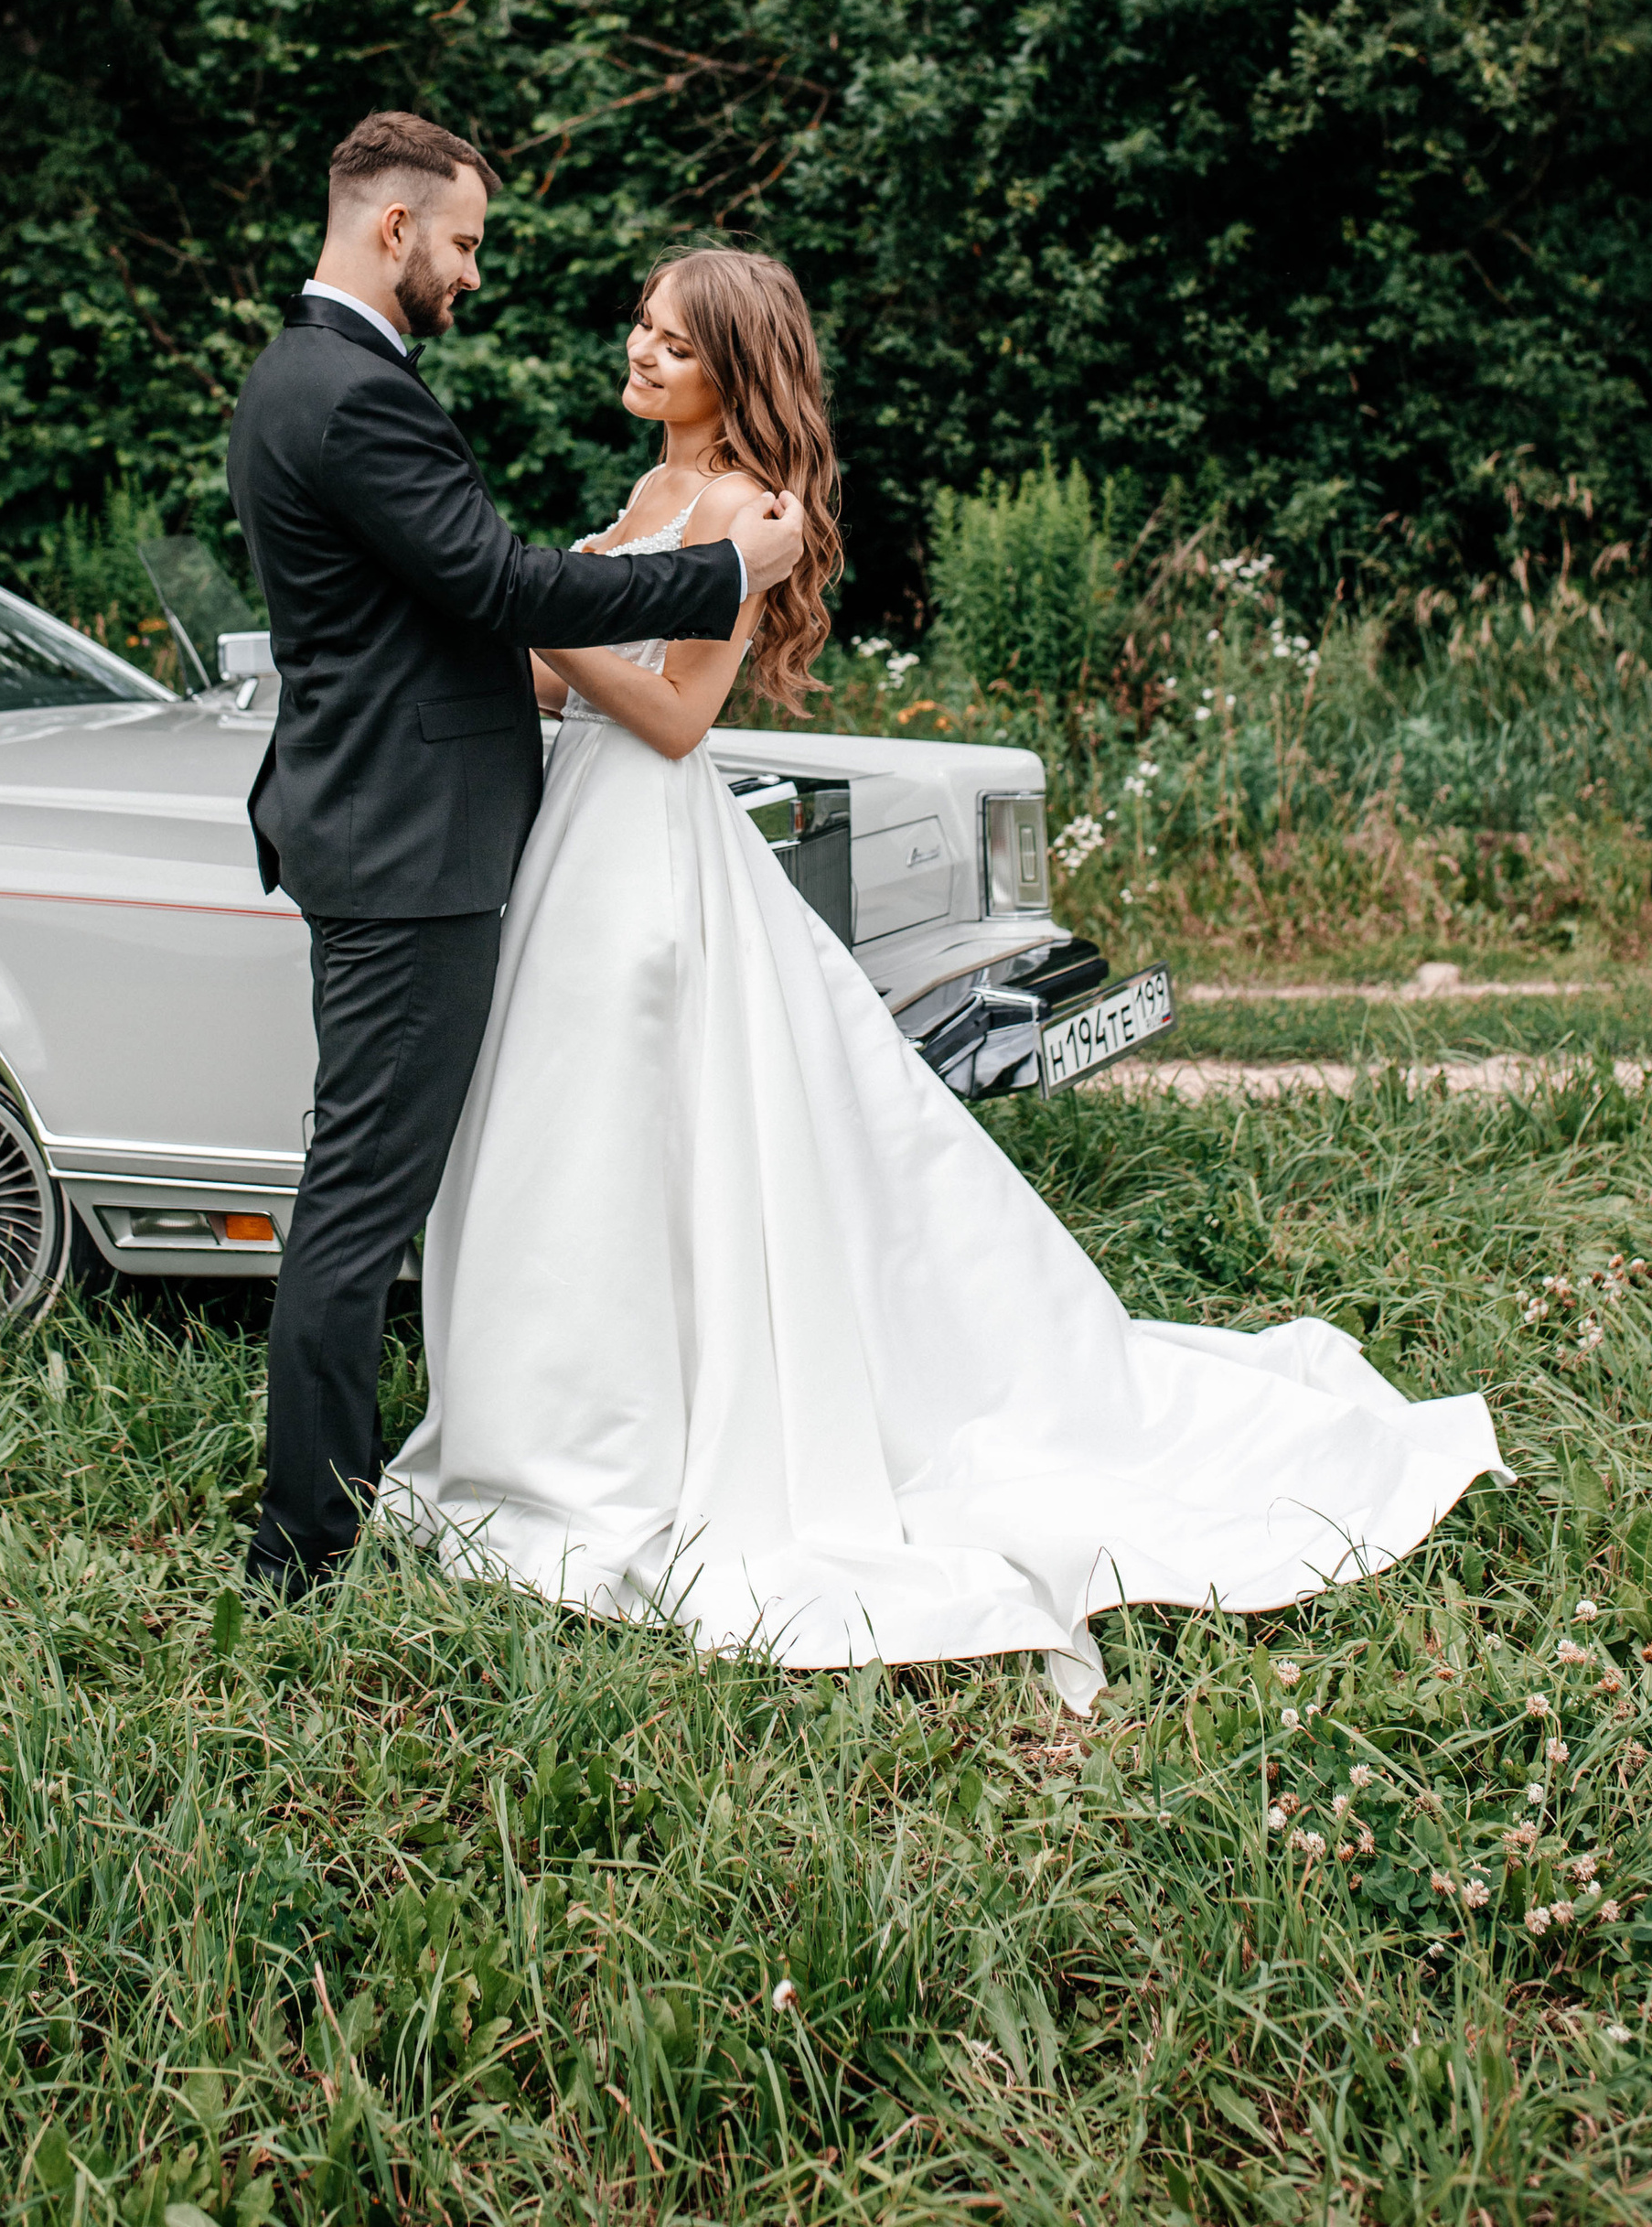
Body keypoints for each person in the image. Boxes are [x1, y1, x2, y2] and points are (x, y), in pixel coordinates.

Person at [381, 245, 1506, 1704]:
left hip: (650, 851)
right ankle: (565, 1417)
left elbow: (676, 715)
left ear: (738, 369)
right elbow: (565, 681)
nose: (643, 353)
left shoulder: (748, 508)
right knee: (576, 1141)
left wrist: (537, 608)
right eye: (642, 329)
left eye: (676, 342)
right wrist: (482, 637)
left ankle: (655, 1433)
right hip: (574, 841)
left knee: (654, 1125)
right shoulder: (654, 492)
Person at [227, 113, 807, 1596]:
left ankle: (475, 1453)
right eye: (467, 243)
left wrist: (609, 605)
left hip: (423, 828)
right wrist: (720, 572)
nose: (475, 273)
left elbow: (467, 620)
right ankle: (305, 1544)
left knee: (449, 1168)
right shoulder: (356, 393)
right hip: (410, 845)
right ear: (397, 229)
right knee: (367, 1189)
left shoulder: (299, 374)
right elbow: (488, 584)